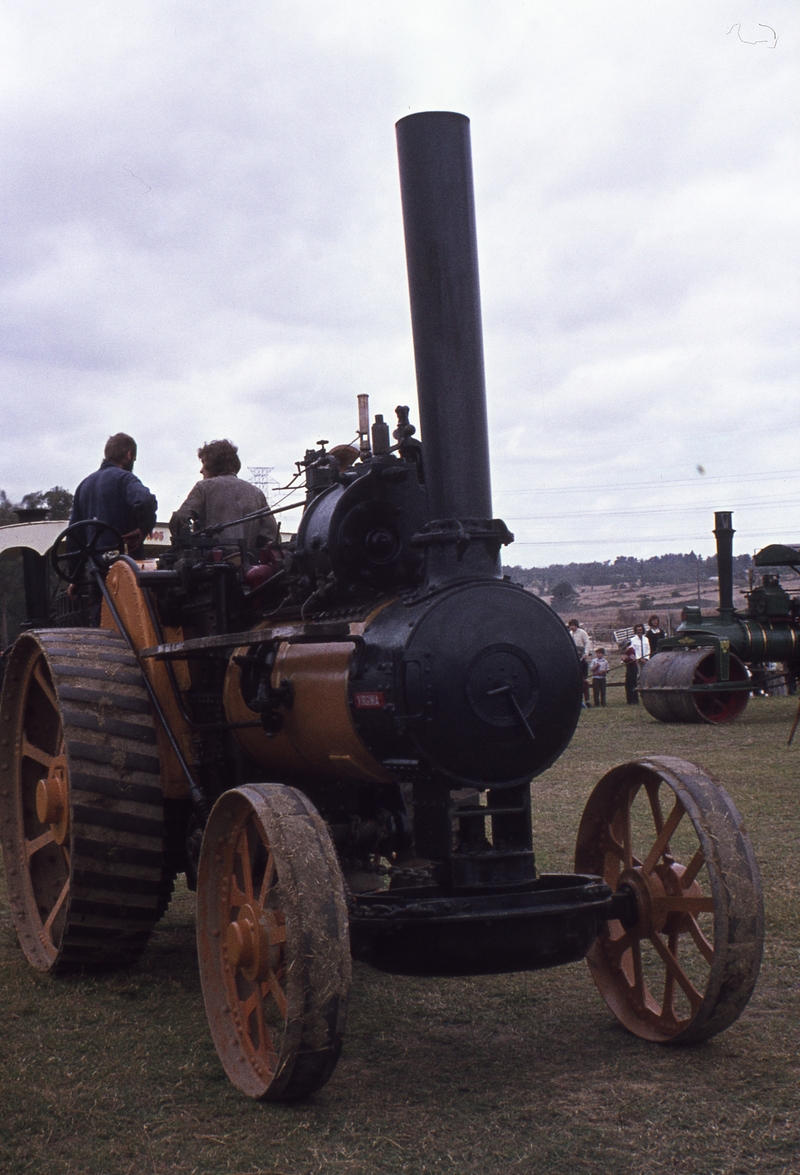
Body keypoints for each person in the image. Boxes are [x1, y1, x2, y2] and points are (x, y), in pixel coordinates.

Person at [170, 439, 277, 555]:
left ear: (214, 465)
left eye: (204, 464)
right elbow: (271, 537)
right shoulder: (257, 493)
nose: (201, 471)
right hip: (247, 568)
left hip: (209, 567)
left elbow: (179, 518)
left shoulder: (203, 487)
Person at [70, 432, 157, 558]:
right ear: (129, 455)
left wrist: (77, 575)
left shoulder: (83, 486)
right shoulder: (126, 479)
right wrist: (143, 529)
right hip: (125, 569)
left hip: (96, 572)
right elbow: (146, 500)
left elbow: (74, 536)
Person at [623, 623, 651, 704]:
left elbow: (648, 649)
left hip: (645, 660)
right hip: (636, 661)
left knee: (644, 677)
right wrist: (639, 658)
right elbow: (632, 651)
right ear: (635, 631)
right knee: (637, 677)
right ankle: (636, 694)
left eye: (640, 630)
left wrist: (646, 658)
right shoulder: (632, 640)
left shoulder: (646, 639)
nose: (639, 631)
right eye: (638, 630)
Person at [568, 618, 592, 707]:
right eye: (570, 626)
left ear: (576, 625)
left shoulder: (582, 633)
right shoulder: (570, 634)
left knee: (583, 680)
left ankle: (587, 700)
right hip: (574, 654)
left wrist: (586, 653)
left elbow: (587, 642)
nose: (571, 627)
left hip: (581, 654)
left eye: (572, 626)